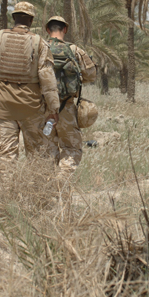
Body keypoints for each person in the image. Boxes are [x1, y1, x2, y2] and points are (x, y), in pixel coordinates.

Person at [0, 2, 60, 182]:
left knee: (7, 157)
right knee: (38, 155)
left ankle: (5, 199)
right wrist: (53, 109)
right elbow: (48, 80)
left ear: (14, 18)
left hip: (3, 108)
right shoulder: (39, 43)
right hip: (31, 109)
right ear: (31, 19)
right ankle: (39, 197)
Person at [44, 16, 96, 179]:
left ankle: (48, 186)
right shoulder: (74, 50)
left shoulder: (40, 47)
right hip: (65, 108)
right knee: (71, 149)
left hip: (42, 110)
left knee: (47, 151)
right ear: (65, 29)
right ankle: (62, 180)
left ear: (47, 30)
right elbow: (90, 75)